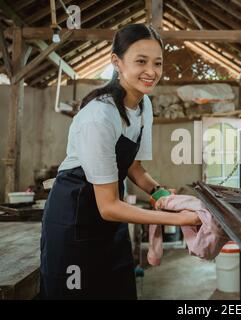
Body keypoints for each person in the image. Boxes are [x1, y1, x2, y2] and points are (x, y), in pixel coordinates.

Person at [40, 24, 201, 300]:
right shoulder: (99, 116)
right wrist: (177, 217)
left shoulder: (143, 106)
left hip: (110, 223)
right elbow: (109, 206)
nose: (151, 72)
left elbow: (133, 167)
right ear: (117, 62)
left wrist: (160, 194)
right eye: (141, 61)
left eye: (157, 63)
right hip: (75, 220)